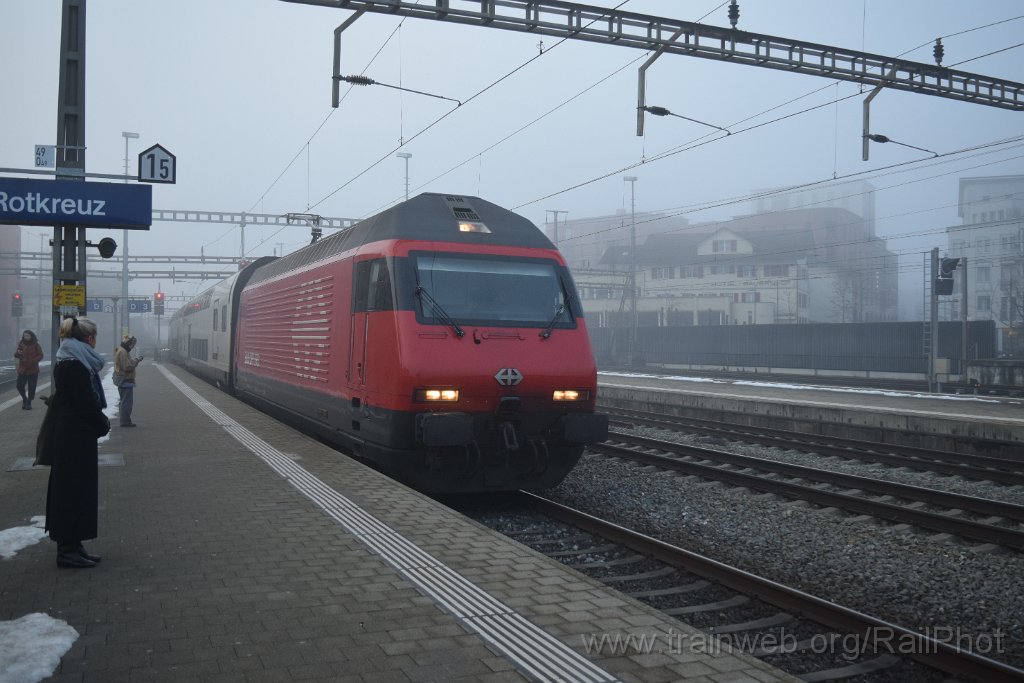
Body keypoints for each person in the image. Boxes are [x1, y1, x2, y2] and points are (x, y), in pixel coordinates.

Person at [45, 316, 110, 569]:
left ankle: (75, 544)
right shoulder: (73, 364)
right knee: (71, 491)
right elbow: (84, 403)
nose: (95, 342)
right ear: (87, 338)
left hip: (75, 436)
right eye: (93, 336)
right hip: (73, 438)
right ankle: (66, 550)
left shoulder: (72, 360)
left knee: (77, 490)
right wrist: (101, 422)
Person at [114, 336, 143, 427]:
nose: (133, 346)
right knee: (126, 402)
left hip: (124, 380)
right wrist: (137, 360)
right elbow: (127, 367)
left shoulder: (122, 351)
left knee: (124, 401)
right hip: (125, 380)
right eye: (132, 344)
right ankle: (125, 422)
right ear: (128, 343)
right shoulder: (123, 352)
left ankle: (125, 420)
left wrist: (134, 361)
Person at [14, 329, 44, 410]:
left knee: (32, 387)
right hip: (22, 369)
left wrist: (33, 361)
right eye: (24, 336)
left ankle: (29, 402)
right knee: (19, 386)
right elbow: (16, 355)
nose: (25, 337)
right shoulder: (21, 344)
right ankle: (24, 399)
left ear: (31, 336)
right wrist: (18, 353)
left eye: (27, 335)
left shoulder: (36, 345)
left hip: (33, 369)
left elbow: (40, 355)